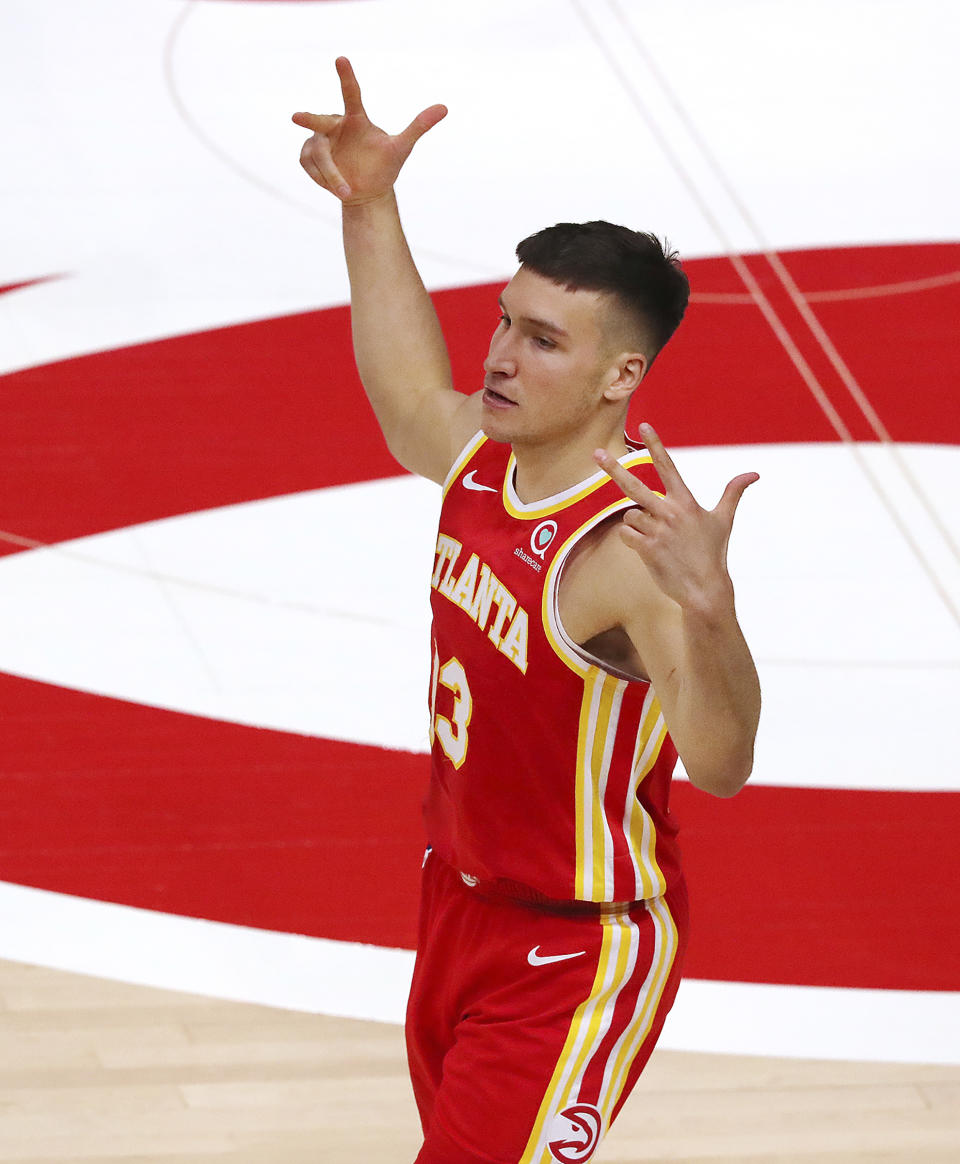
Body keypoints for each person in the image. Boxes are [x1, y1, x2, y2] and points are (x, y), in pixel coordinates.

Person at [293, 57, 761, 1164]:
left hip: (575, 953)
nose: (500, 356)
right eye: (505, 322)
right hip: (455, 909)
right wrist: (371, 205)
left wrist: (711, 614)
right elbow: (409, 393)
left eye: (544, 341)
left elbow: (725, 761)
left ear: (619, 377)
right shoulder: (478, 464)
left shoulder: (627, 552)